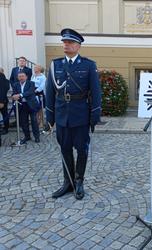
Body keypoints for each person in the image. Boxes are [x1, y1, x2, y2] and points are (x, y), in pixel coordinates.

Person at [46, 28, 101, 200]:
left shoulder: (88, 65)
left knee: (82, 150)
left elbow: (96, 93)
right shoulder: (55, 65)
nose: (66, 45)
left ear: (78, 46)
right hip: (62, 116)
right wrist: (50, 116)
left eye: (69, 42)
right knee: (65, 150)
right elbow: (50, 92)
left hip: (80, 116)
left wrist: (94, 117)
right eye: (64, 42)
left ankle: (79, 181)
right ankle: (67, 182)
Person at [11, 71, 40, 144]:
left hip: (31, 105)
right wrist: (13, 96)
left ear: (26, 77)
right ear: (18, 77)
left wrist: (20, 95)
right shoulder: (15, 85)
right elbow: (14, 93)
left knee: (34, 121)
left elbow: (30, 92)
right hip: (22, 105)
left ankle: (37, 137)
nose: (21, 78)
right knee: (24, 122)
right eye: (19, 76)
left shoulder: (31, 83)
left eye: (22, 76)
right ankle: (27, 136)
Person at [0, 68, 10, 135]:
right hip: (3, 100)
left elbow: (2, 90)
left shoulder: (2, 78)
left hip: (1, 100)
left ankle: (6, 129)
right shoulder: (5, 79)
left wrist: (1, 101)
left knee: (5, 114)